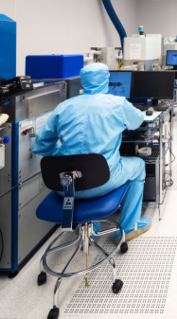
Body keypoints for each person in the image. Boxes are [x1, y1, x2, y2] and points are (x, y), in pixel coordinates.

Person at [33, 63, 151, 242]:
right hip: (103, 181)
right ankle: (128, 227)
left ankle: (91, 228)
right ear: (106, 80)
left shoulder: (64, 107)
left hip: (66, 184)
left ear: (83, 81)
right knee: (139, 165)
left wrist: (60, 159)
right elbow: (138, 120)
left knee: (85, 169)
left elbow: (41, 144)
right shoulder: (117, 104)